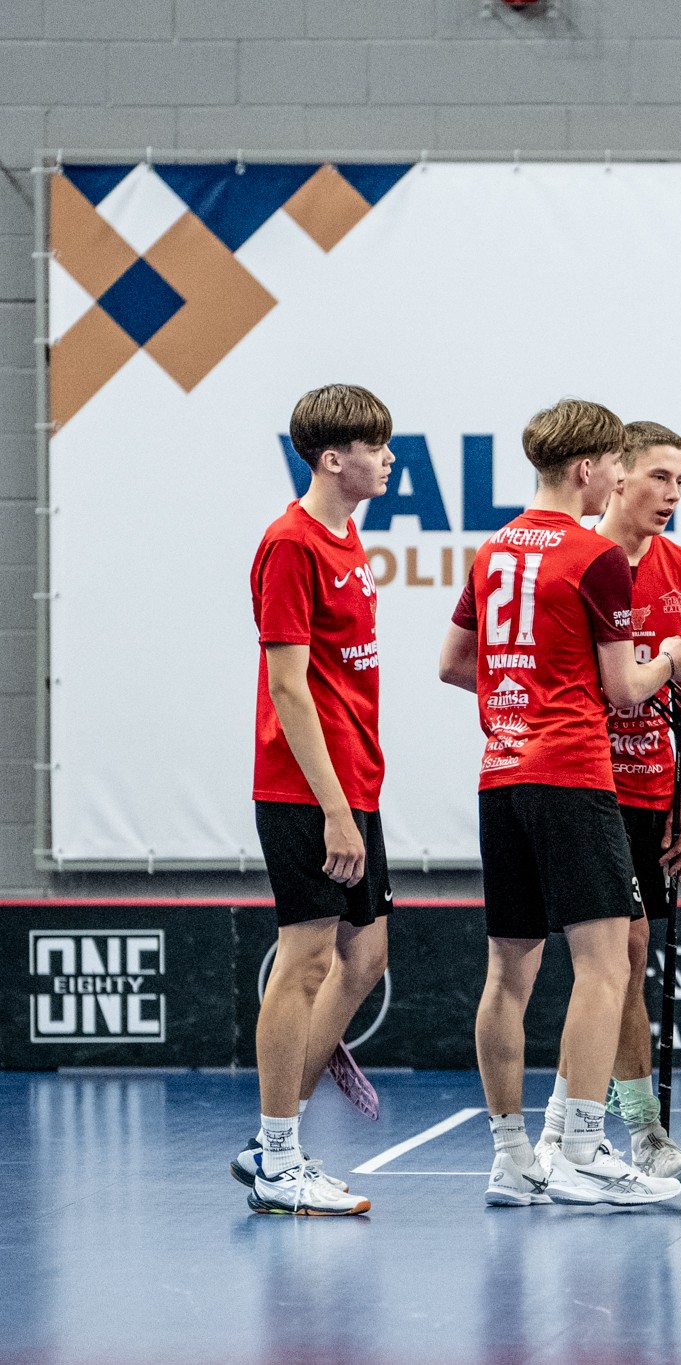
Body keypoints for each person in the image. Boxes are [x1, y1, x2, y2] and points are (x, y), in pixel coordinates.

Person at [437, 398, 681, 1206]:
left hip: (502, 774)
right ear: (587, 468)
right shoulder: (595, 557)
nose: (619, 478)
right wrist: (671, 659)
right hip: (573, 774)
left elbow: (453, 663)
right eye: (616, 464)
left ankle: (513, 1155)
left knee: (507, 972)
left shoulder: (493, 549)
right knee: (606, 964)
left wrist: (524, 695)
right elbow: (624, 689)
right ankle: (583, 1148)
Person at [240, 384, 397, 1216]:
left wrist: (354, 794)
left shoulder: (347, 535)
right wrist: (333, 807)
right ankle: (277, 1157)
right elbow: (288, 687)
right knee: (304, 959)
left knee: (364, 957)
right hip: (306, 789)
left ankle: (276, 1135)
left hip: (353, 781)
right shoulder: (290, 545)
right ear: (334, 459)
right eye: (376, 446)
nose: (389, 458)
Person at [584, 419, 681, 1186]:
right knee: (618, 953)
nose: (671, 494)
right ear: (619, 475)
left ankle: (611, 1128)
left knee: (630, 959)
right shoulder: (579, 558)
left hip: (652, 794)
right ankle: (632, 1131)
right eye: (660, 476)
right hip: (586, 788)